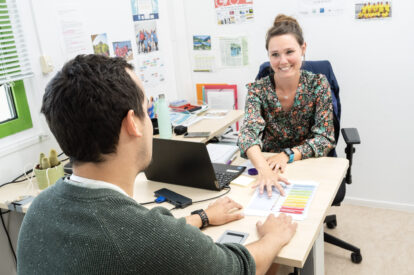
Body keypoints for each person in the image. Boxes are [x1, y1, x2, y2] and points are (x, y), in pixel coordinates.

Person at [17, 54, 297, 274]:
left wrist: (202, 217)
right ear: (132, 123)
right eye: (147, 109)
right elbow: (241, 268)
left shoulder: (38, 210)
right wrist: (273, 237)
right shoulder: (145, 238)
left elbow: (149, 239)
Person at [238, 14, 335, 197]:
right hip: (268, 165)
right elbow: (247, 135)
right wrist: (264, 170)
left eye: (289, 52)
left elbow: (325, 138)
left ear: (303, 48)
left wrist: (286, 155)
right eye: (275, 54)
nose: (282, 61)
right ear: (268, 56)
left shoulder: (318, 84)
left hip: (307, 163)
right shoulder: (257, 89)